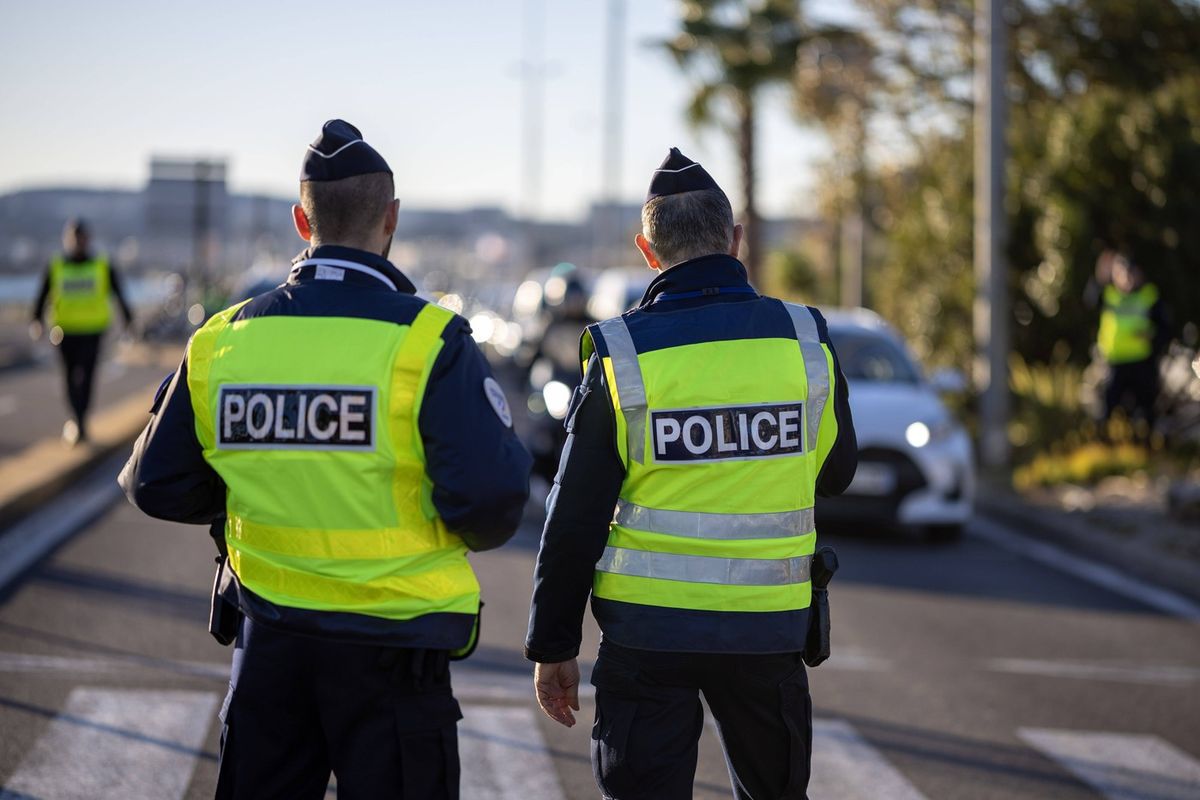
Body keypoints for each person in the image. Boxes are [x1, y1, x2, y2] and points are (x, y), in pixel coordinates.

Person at [120, 120, 532, 799]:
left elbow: (156, 485)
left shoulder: (222, 341)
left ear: (299, 219)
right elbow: (490, 506)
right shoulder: (432, 341)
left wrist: (253, 494)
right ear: (390, 219)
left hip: (270, 650)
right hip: (395, 656)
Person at [525, 148, 858, 800]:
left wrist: (553, 644)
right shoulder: (802, 337)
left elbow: (575, 516)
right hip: (768, 634)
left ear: (648, 251)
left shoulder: (622, 352)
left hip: (647, 638)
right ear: (734, 240)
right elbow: (838, 473)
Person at [30, 218, 134, 444]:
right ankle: (77, 419)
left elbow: (119, 293)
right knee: (69, 377)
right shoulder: (56, 264)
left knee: (87, 377)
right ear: (67, 239)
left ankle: (80, 420)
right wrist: (36, 320)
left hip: (93, 331)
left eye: (81, 237)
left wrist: (128, 319)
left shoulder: (102, 264)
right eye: (73, 237)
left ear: (88, 239)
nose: (77, 242)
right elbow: (43, 294)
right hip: (64, 331)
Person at [1091, 250, 1170, 431]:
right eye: (1121, 273)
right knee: (1108, 407)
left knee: (1145, 408)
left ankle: (1146, 444)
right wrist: (1099, 276)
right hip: (1115, 361)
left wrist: (1152, 338)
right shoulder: (1109, 294)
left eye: (1131, 272)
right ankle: (1104, 443)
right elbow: (1090, 301)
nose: (1127, 278)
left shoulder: (1149, 295)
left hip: (1142, 361)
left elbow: (1164, 329)